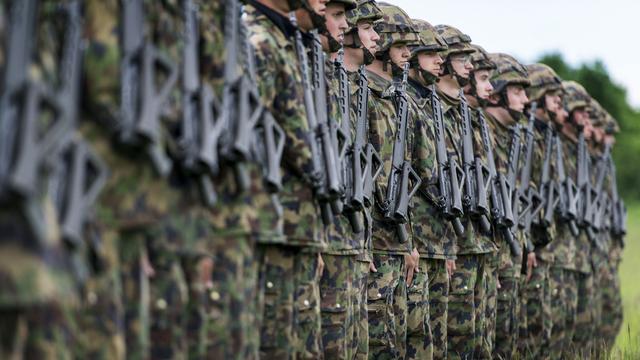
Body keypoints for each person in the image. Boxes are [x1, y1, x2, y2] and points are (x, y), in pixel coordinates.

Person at [246, 0, 328, 357]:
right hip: (269, 218)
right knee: (273, 337)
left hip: (293, 222)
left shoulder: (286, 42)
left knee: (293, 336)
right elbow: (250, 135)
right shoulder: (260, 41)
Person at [435, 24, 497, 359]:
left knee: (479, 337)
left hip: (477, 241)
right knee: (457, 338)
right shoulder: (432, 110)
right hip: (452, 243)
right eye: (462, 58)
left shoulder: (469, 118)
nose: (470, 68)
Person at [365, 3, 420, 357]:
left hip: (397, 240)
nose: (408, 55)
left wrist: (409, 241)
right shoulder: (362, 92)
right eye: (401, 46)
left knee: (396, 341)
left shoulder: (398, 101)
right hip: (372, 240)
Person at [342, 2, 384, 356]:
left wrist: (366, 240)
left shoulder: (363, 91)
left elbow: (373, 173)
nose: (376, 37)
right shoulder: (328, 79)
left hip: (358, 238)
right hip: (329, 235)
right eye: (369, 28)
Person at [484, 53, 531, 359]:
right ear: (498, 93)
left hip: (509, 254)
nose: (526, 100)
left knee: (506, 340)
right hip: (485, 254)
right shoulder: (479, 132)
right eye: (517, 91)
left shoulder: (512, 138)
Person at [517, 63, 565, 359]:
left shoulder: (546, 135)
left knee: (542, 325)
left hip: (542, 239)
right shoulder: (527, 136)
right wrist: (528, 242)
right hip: (528, 242)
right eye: (551, 93)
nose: (559, 100)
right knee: (528, 328)